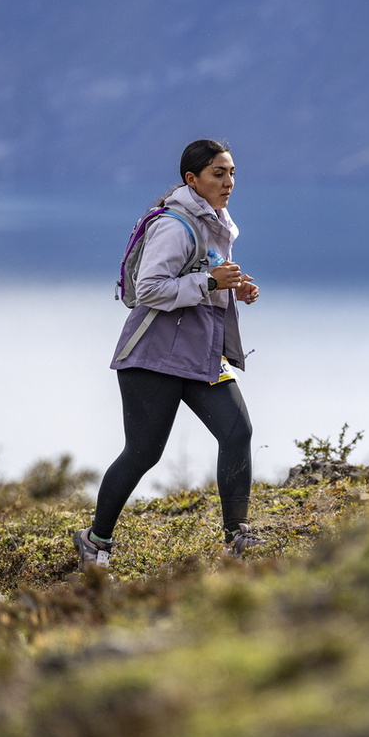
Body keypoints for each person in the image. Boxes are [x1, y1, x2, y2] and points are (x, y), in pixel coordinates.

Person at [74, 139, 265, 570]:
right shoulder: (174, 225)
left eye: (232, 173)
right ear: (191, 180)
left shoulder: (216, 223)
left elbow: (203, 276)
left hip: (200, 356)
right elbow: (150, 289)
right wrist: (212, 283)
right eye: (219, 173)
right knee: (143, 452)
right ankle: (95, 540)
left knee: (238, 432)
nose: (229, 182)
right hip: (152, 356)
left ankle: (237, 536)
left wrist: (233, 286)